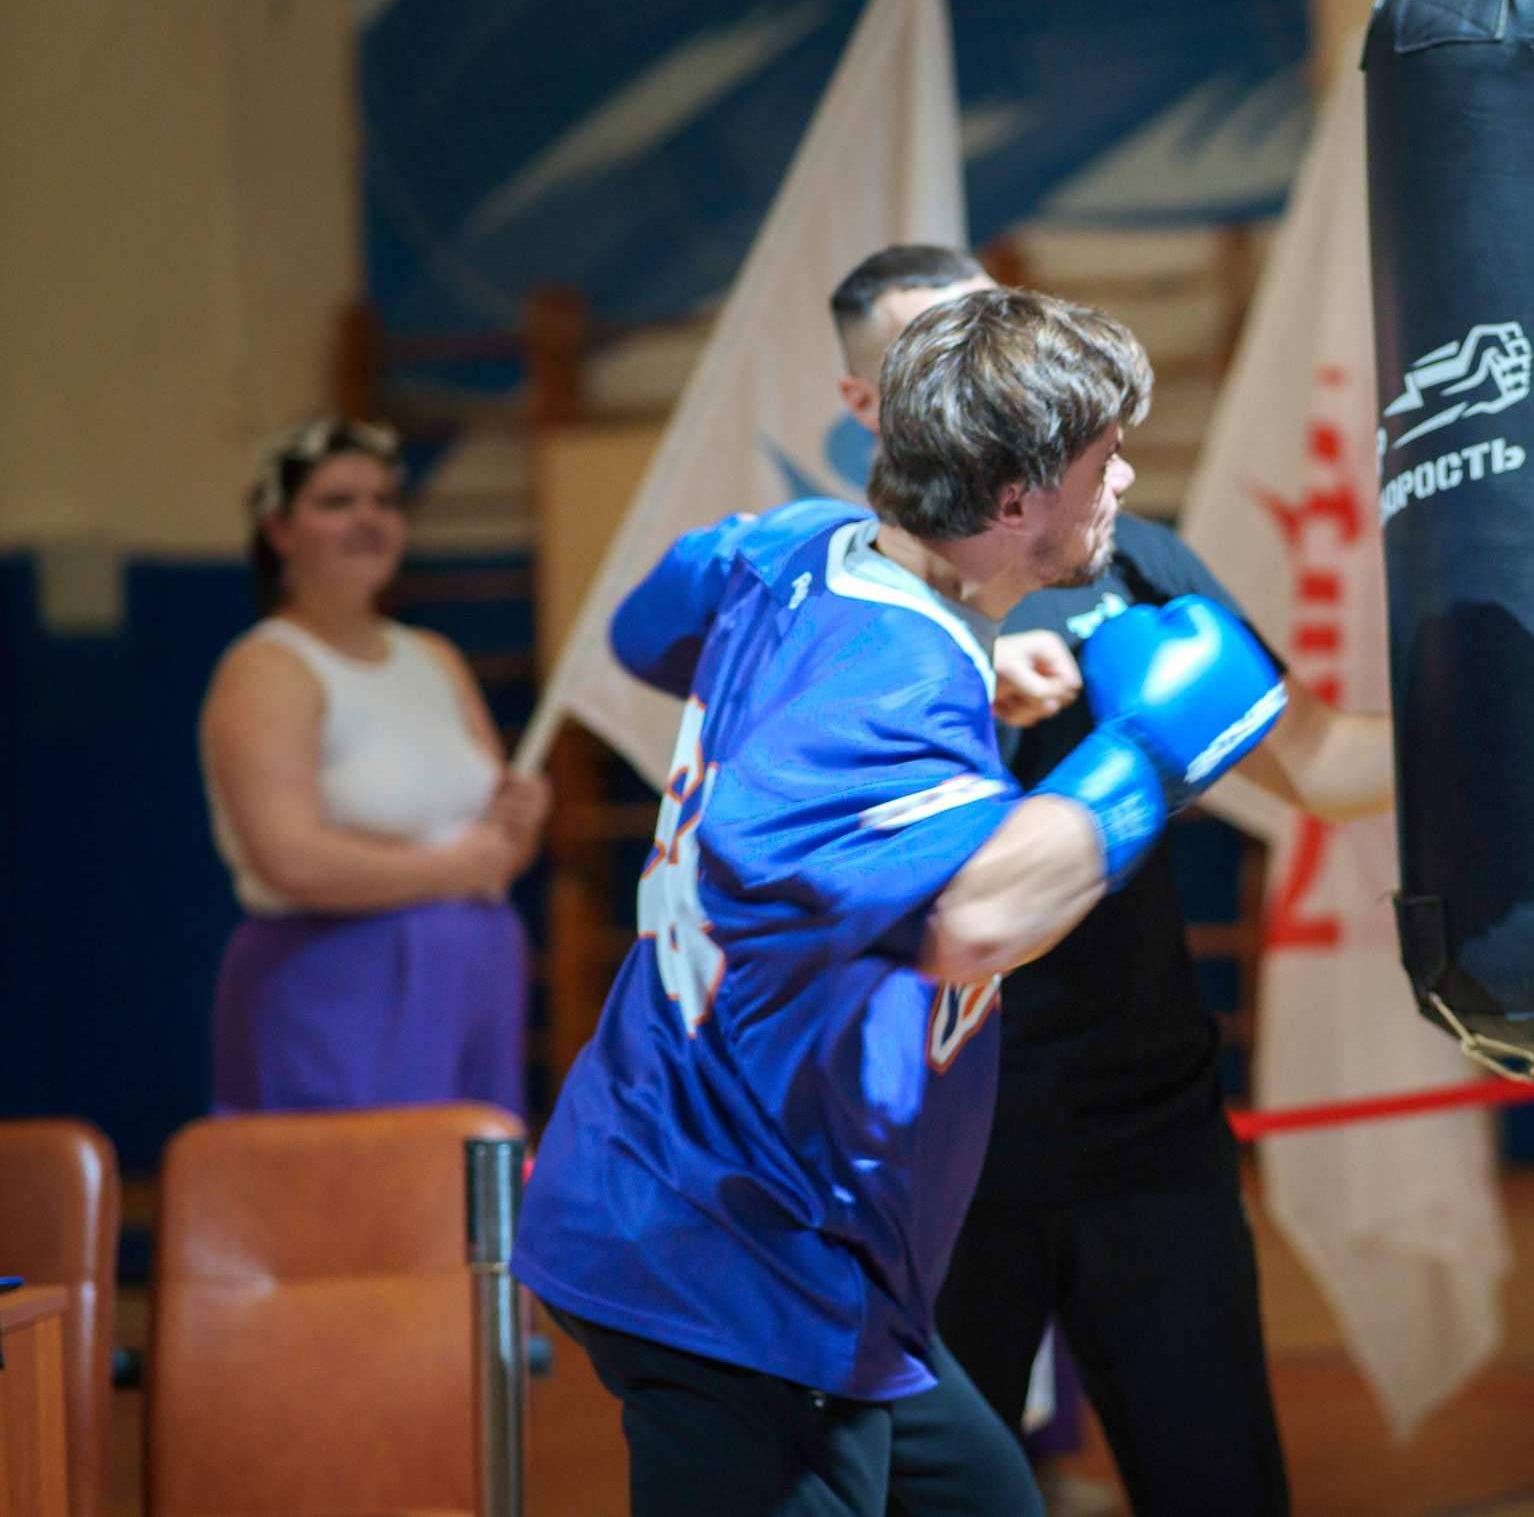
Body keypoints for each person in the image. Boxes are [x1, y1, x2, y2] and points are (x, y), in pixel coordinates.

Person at [512, 287, 1288, 1517]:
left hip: (786, 1234)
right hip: (725, 1255)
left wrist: (973, 671)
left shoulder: (802, 545)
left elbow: (653, 619)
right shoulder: (892, 693)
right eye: (1102, 461)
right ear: (1014, 497)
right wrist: (1143, 755)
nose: (1127, 479)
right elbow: (975, 921)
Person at [835, 247, 1394, 1517]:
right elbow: (941, 915)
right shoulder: (838, 613)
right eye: (936, 362)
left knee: (1218, 1486)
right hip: (936, 1147)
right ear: (870, 404)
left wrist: (1497, 705)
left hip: (1144, 1119)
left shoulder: (1129, 561)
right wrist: (1105, 748)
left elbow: (1313, 759)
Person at [200, 416, 549, 1114]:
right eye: (337, 501)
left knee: (468, 1199)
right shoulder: (269, 668)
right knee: (354, 1201)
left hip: (474, 973)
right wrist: (458, 868)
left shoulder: (435, 656)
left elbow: (496, 843)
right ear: (279, 529)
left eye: (383, 500)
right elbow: (291, 860)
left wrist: (524, 821)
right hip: (339, 984)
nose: (368, 517)